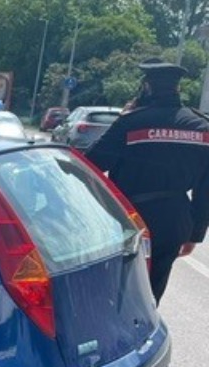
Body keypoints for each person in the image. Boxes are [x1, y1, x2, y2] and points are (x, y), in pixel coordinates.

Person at [86, 58, 209, 304]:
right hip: (175, 220)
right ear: (178, 89)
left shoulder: (132, 122)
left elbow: (92, 163)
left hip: (130, 217)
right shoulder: (201, 126)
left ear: (147, 87)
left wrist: (122, 117)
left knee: (119, 290)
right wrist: (195, 233)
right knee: (153, 291)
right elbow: (205, 189)